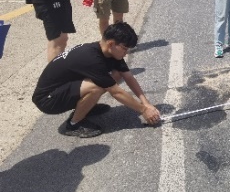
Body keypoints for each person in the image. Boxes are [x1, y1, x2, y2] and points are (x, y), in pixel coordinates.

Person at [32, 22, 161, 138]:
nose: (126, 53)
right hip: (47, 100)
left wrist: (146, 103)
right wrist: (144, 111)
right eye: (125, 48)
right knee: (97, 86)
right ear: (111, 43)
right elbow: (116, 92)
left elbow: (128, 76)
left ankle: (85, 107)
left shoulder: (109, 52)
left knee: (116, 74)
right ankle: (73, 124)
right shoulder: (91, 58)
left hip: (63, 88)